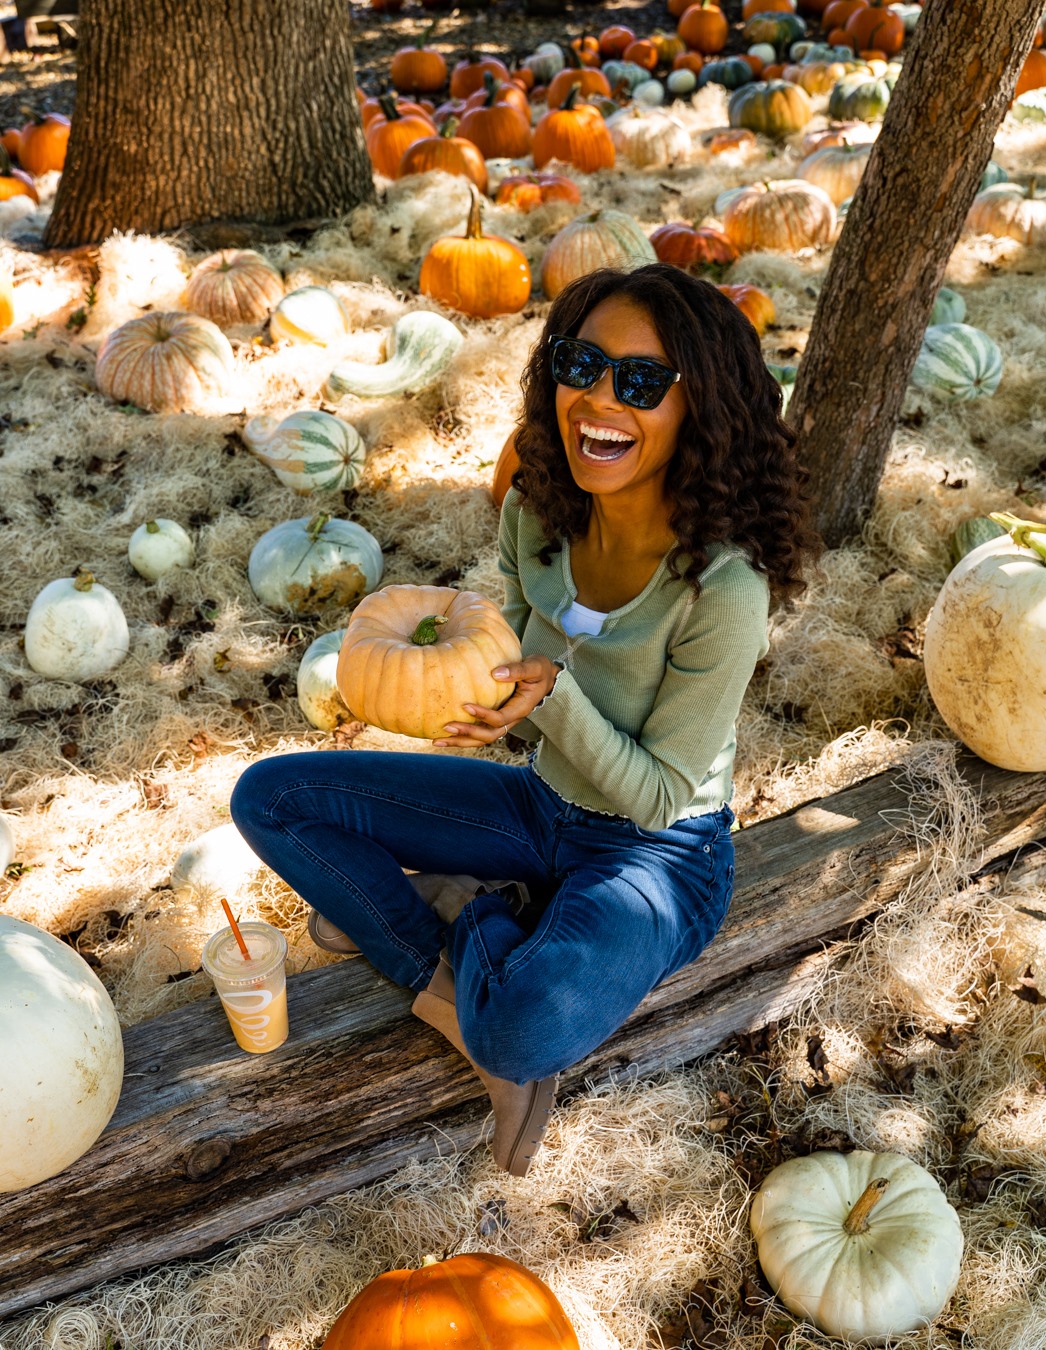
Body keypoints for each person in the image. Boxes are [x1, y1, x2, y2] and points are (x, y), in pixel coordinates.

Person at [230, 262, 818, 1177]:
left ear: (701, 409)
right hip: (540, 805)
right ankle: (457, 966)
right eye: (580, 365)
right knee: (272, 798)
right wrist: (464, 696)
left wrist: (552, 697)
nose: (599, 399)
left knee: (520, 1031)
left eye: (641, 381)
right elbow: (522, 697)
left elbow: (660, 794)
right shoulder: (535, 515)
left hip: (659, 855)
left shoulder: (723, 587)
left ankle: (468, 915)